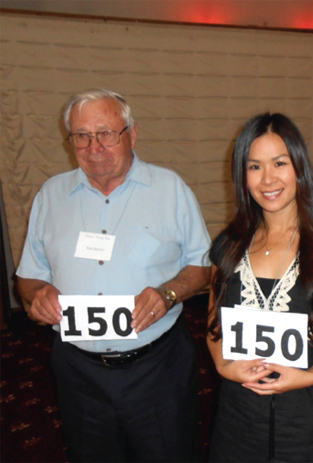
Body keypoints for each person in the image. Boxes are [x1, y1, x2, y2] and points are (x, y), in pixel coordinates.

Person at [16, 89, 211, 462]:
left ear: (132, 134)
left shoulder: (170, 190)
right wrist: (37, 293)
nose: (94, 147)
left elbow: (201, 266)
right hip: (78, 371)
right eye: (81, 136)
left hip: (158, 367)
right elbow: (28, 275)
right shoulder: (50, 196)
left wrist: (168, 294)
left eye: (106, 133)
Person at [206, 112, 313, 462]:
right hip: (239, 412)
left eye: (279, 163)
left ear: (299, 167)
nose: (268, 179)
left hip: (309, 412)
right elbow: (214, 325)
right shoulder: (229, 244)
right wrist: (223, 366)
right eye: (254, 167)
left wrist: (311, 376)